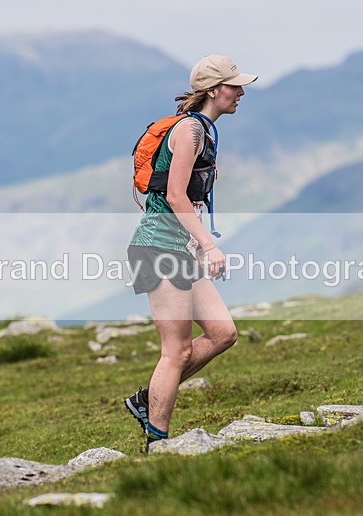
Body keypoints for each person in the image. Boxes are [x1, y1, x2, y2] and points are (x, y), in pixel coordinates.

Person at [124, 55, 257, 452]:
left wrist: (198, 244)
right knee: (176, 351)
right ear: (215, 90)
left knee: (223, 333)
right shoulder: (190, 131)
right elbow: (176, 195)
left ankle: (148, 398)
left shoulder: (204, 130)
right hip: (159, 247)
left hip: (180, 247)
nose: (241, 92)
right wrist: (212, 246)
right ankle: (157, 443)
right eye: (235, 86)